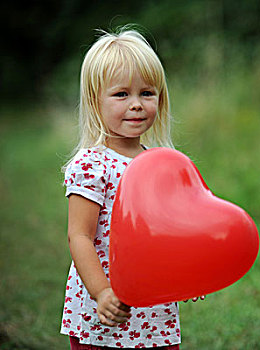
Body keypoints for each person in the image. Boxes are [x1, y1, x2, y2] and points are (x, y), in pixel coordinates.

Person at [60, 26, 202, 349]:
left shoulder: (160, 164)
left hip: (154, 310)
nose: (136, 104)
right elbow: (79, 235)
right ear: (96, 101)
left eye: (146, 93)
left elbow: (167, 231)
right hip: (106, 307)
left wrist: (190, 273)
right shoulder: (92, 165)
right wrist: (102, 292)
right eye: (122, 94)